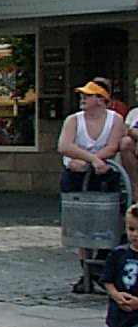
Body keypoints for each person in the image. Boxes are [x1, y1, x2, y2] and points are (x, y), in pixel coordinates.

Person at [61, 79, 125, 292]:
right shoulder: (74, 120)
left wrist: (94, 161)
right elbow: (65, 145)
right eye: (83, 95)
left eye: (89, 95)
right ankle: (86, 270)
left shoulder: (115, 120)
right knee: (81, 222)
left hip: (103, 172)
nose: (83, 99)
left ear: (101, 99)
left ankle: (102, 264)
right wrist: (90, 159)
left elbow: (113, 145)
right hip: (76, 173)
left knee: (108, 218)